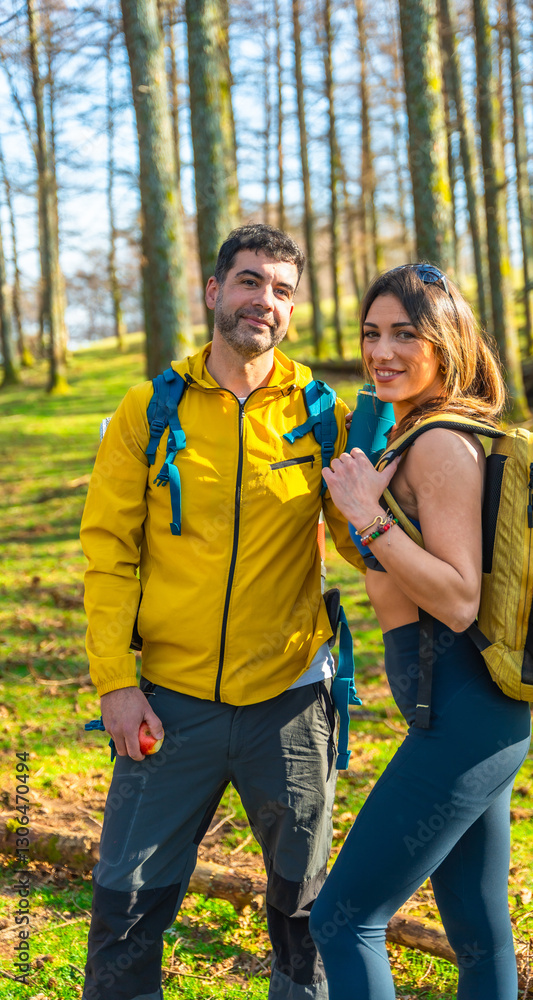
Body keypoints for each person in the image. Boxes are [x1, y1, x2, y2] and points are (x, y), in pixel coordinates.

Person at [79, 224, 365, 1000]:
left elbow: (358, 539)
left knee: (301, 912)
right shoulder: (150, 409)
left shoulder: (318, 411)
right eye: (248, 282)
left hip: (290, 700)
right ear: (214, 292)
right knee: (126, 906)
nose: (262, 302)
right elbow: (110, 556)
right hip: (167, 703)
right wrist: (115, 682)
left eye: (280, 291)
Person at [309, 264, 532, 999]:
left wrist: (366, 512)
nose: (382, 351)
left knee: (344, 921)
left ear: (447, 340)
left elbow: (459, 598)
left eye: (405, 333)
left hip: (462, 720)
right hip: (463, 716)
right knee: (475, 930)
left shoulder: (438, 442)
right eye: (372, 334)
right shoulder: (411, 433)